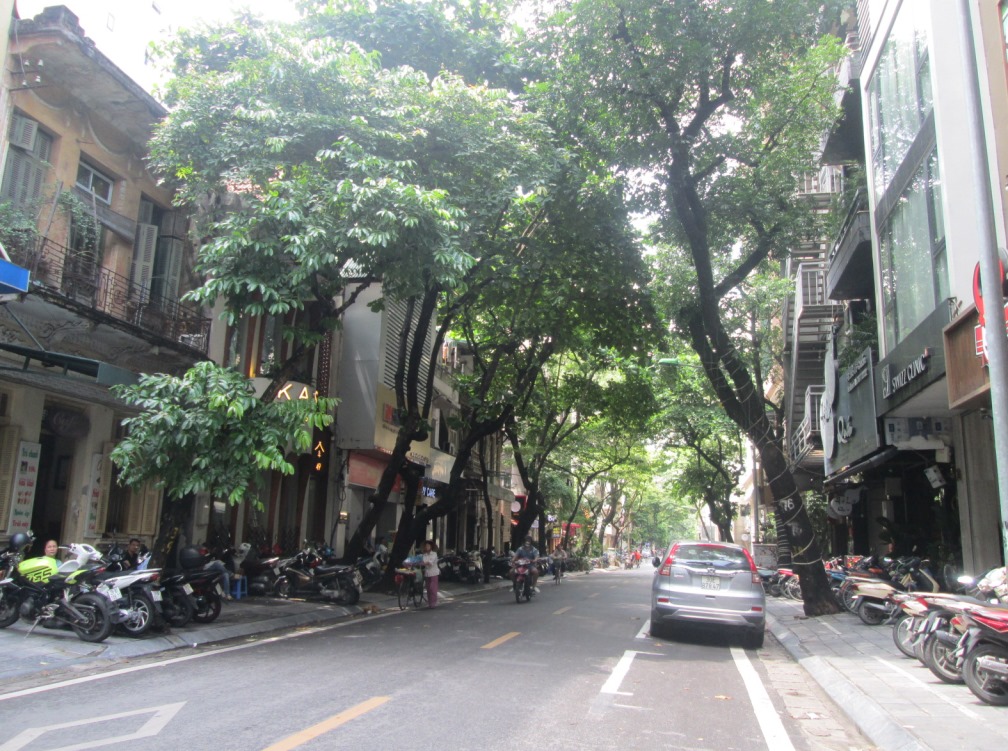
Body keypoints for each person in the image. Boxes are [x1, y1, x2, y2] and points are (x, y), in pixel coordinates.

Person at [420, 540, 439, 608]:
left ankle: (433, 602)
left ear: (431, 547)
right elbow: (423, 562)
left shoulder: (434, 554)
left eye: (428, 546)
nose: (427, 547)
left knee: (432, 588)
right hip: (427, 573)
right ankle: (430, 602)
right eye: (426, 546)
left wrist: (423, 563)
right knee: (428, 588)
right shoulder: (424, 555)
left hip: (434, 573)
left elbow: (430, 563)